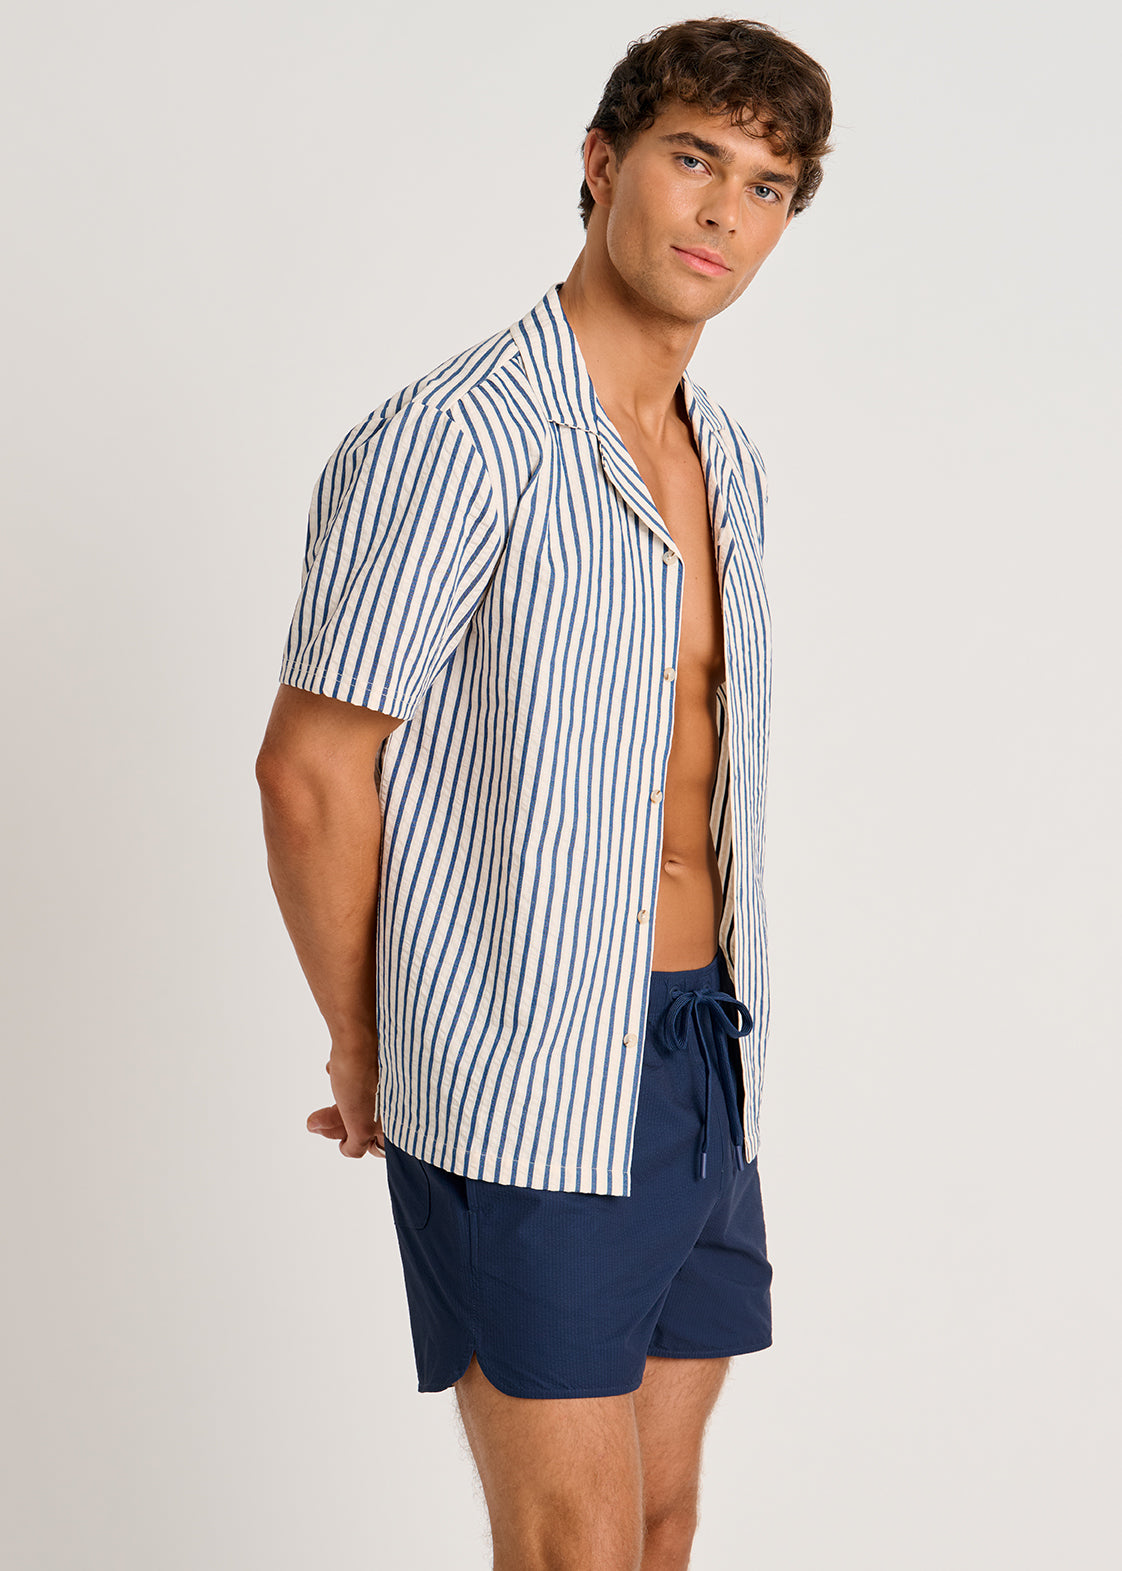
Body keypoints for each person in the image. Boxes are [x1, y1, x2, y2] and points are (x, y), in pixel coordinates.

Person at [256, 16, 832, 1570]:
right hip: (523, 1068)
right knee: (573, 1541)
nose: (723, 212)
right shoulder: (457, 437)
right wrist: (368, 1037)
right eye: (692, 160)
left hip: (705, 1049)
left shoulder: (726, 459)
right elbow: (310, 766)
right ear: (600, 163)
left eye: (766, 187)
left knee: (658, 1515)